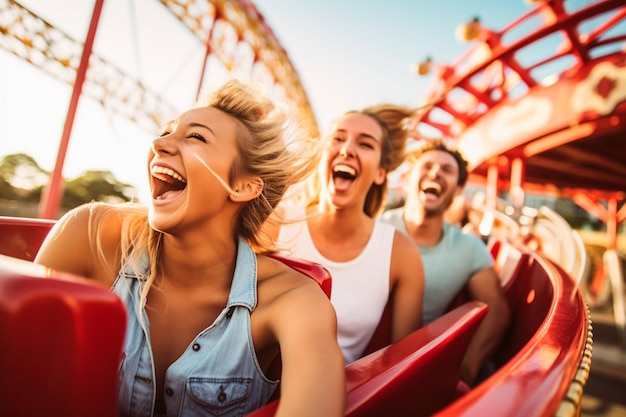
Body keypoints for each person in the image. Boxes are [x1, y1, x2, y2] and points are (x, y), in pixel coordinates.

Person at [34, 79, 345, 417]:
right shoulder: (88, 234)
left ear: (243, 186)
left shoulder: (292, 301)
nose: (159, 143)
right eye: (167, 131)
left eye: (195, 136)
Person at [267, 104, 425, 364]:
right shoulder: (276, 221)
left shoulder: (402, 254)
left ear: (381, 173)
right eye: (337, 138)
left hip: (338, 396)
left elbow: (401, 363)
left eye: (365, 144)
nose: (347, 149)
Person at [381, 139, 510, 386]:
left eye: (447, 170)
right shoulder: (377, 228)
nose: (436, 173)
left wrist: (466, 369)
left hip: (417, 366)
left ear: (459, 188)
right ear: (408, 179)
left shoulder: (469, 248)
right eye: (427, 166)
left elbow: (497, 309)